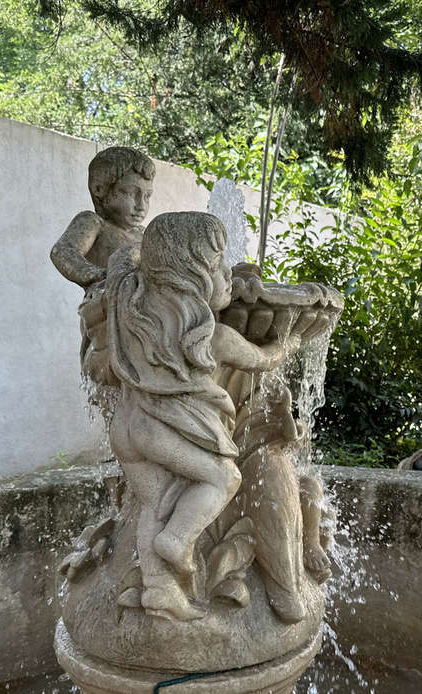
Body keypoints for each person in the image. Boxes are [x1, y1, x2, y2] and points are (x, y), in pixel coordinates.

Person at [105, 212, 297, 620]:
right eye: (216, 265)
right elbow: (263, 359)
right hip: (163, 432)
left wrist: (143, 255)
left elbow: (121, 259)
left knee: (155, 503)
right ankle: (178, 540)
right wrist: (291, 343)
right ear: (190, 279)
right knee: (223, 477)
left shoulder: (132, 312)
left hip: (126, 429)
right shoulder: (215, 338)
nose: (227, 273)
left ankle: (159, 591)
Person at [49, 146, 155, 387]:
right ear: (100, 190)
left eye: (147, 196)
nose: (141, 205)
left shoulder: (145, 235)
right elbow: (63, 252)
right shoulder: (94, 223)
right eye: (131, 193)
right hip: (108, 315)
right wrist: (100, 276)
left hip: (144, 317)